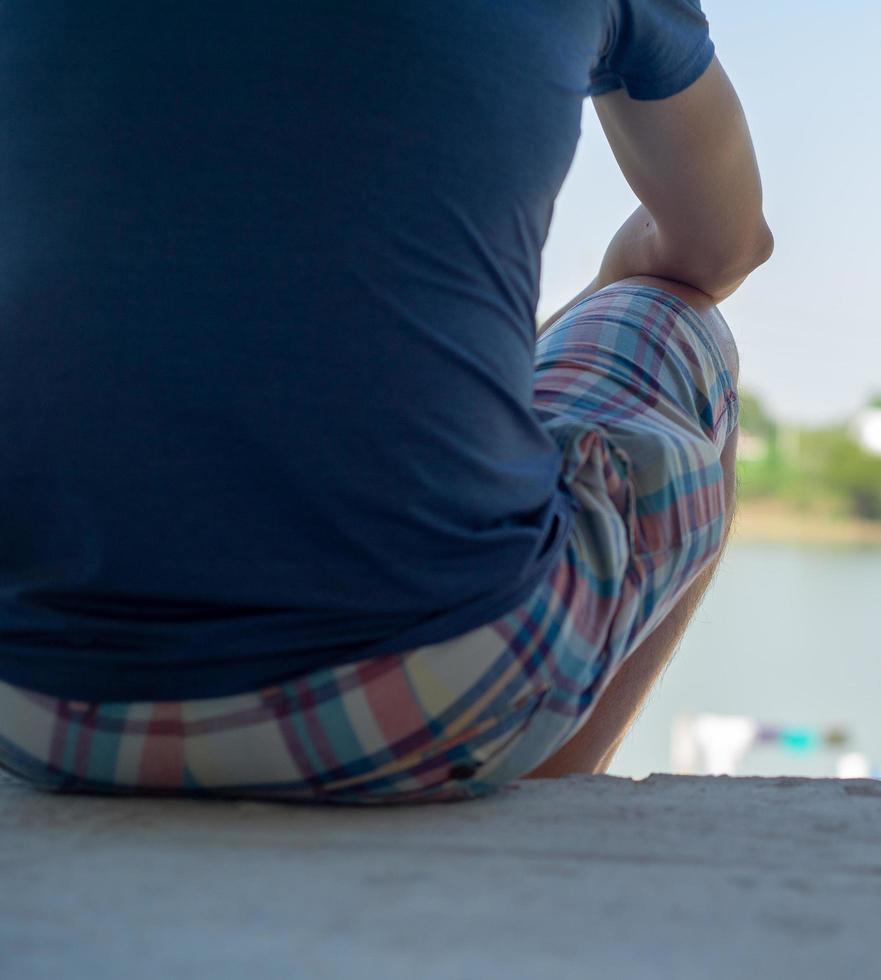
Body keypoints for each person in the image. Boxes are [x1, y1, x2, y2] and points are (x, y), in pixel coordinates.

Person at [0, 1, 770, 803]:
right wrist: (614, 281)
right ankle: (536, 789)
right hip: (426, 699)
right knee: (672, 316)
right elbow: (722, 247)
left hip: (31, 704)